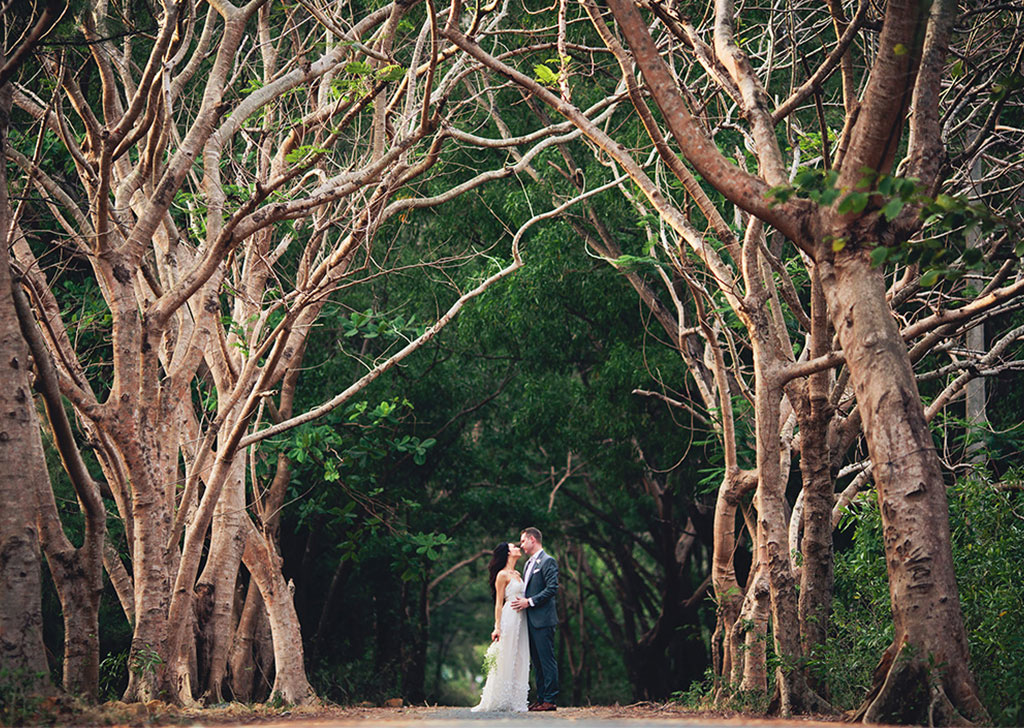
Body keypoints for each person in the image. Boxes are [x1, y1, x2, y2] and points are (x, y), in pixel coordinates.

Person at [471, 542, 530, 712]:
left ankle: (517, 700)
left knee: (521, 655)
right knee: (506, 655)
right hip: (509, 617)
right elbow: (498, 604)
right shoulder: (502, 575)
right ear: (508, 553)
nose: (518, 548)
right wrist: (497, 627)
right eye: (514, 547)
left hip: (522, 619)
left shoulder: (518, 574)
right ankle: (499, 698)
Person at [509, 527, 559, 711]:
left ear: (532, 539)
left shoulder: (548, 561)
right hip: (530, 621)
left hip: (544, 619)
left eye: (522, 541)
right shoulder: (528, 563)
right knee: (537, 662)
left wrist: (529, 602)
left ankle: (550, 700)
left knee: (547, 660)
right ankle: (541, 698)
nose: (521, 545)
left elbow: (552, 588)